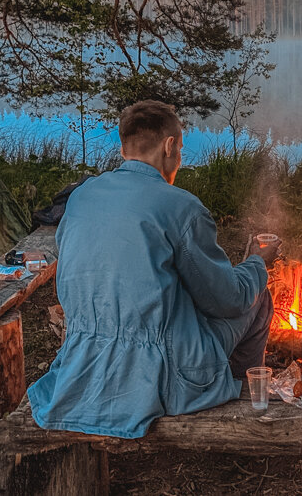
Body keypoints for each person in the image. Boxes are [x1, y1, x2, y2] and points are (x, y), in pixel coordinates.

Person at [28, 100, 279, 438]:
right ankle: (238, 403)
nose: (179, 159)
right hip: (163, 374)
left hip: (83, 365)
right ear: (170, 145)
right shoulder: (180, 207)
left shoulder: (81, 197)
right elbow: (228, 300)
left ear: (123, 147)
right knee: (256, 296)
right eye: (181, 150)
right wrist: (257, 264)